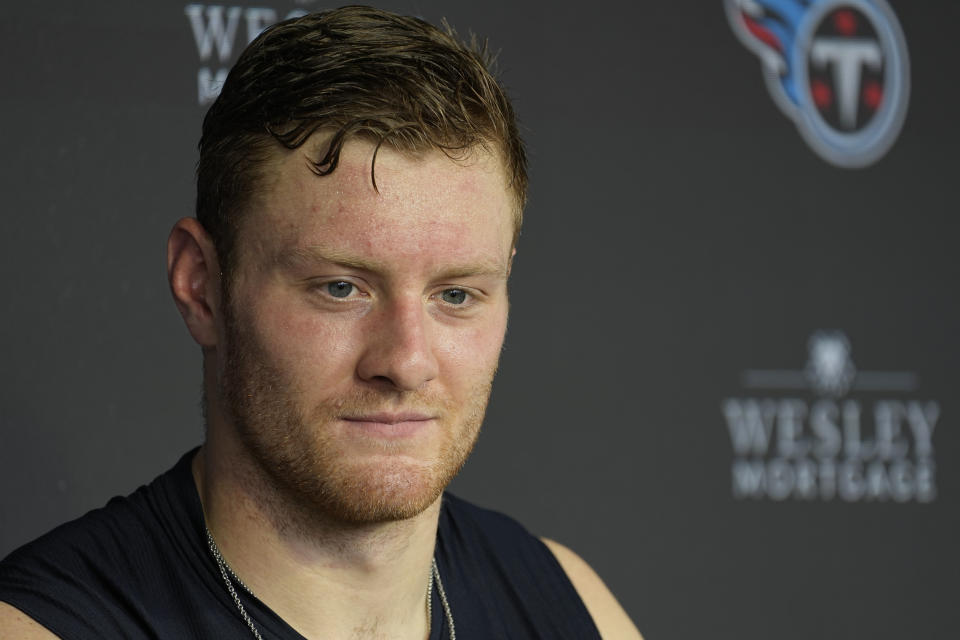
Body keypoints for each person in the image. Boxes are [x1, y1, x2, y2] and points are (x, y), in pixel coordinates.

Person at [0, 6, 642, 639]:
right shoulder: (45, 626)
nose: (406, 360)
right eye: (342, 288)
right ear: (201, 287)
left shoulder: (568, 601)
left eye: (456, 295)